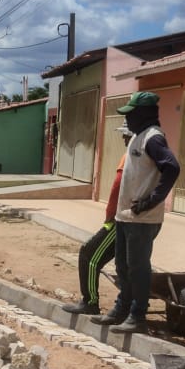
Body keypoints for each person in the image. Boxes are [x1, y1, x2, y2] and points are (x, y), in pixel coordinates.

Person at [97, 91, 180, 334]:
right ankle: (121, 309)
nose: (128, 119)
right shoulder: (137, 136)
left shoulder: (153, 139)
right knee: (123, 266)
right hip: (126, 216)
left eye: (131, 114)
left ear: (144, 114)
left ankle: (137, 315)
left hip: (142, 219)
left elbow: (172, 167)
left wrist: (152, 201)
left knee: (138, 267)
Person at [62, 125, 134, 315]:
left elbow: (117, 187)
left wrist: (110, 214)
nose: (123, 140)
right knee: (126, 264)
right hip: (136, 220)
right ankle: (129, 305)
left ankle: (90, 301)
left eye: (125, 136)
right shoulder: (145, 159)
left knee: (88, 254)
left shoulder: (130, 157)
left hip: (121, 219)